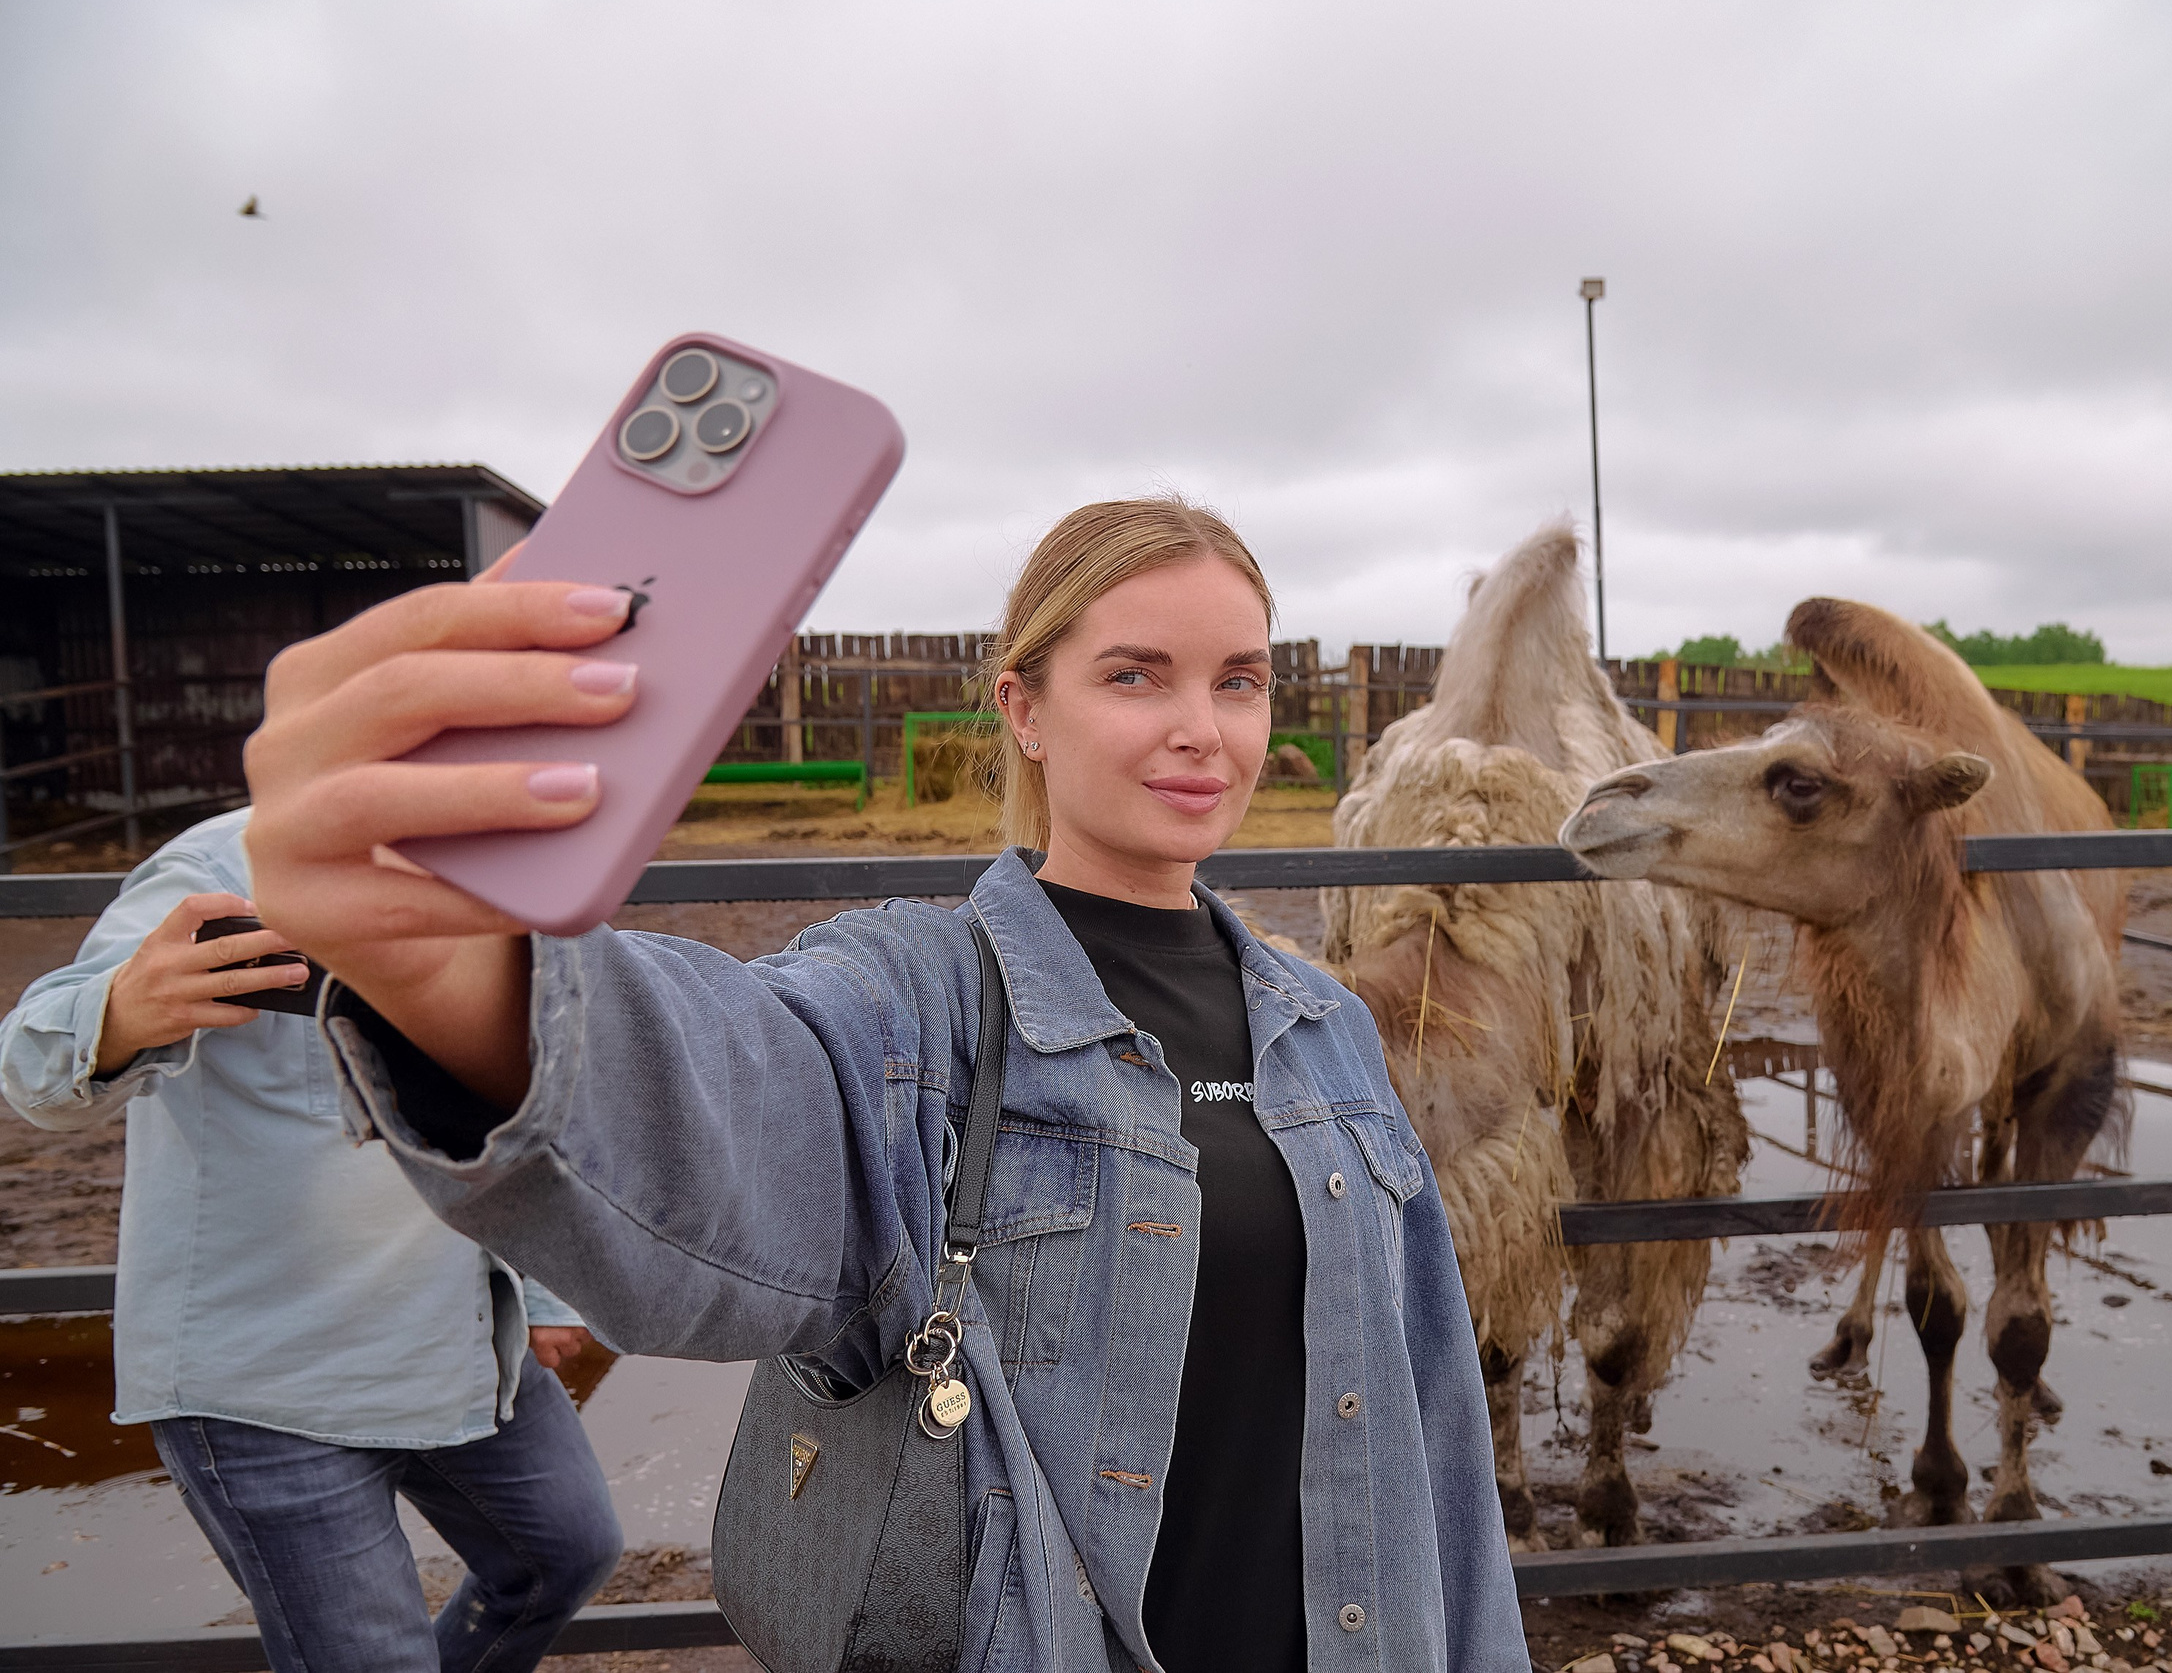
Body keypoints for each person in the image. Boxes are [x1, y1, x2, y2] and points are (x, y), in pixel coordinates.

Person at [239, 497, 1534, 1672]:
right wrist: (466, 976)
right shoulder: (915, 996)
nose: (1202, 728)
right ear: (1024, 706)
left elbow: (1433, 1436)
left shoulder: (1329, 1031)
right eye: (1135, 675)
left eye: (1239, 681)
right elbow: (731, 1097)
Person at [0, 807, 625, 1673]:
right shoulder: (220, 868)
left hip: (460, 1334)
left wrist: (547, 1284)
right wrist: (119, 1011)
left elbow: (525, 1105)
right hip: (267, 1384)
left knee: (567, 1554)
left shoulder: (500, 872)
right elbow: (30, 1074)